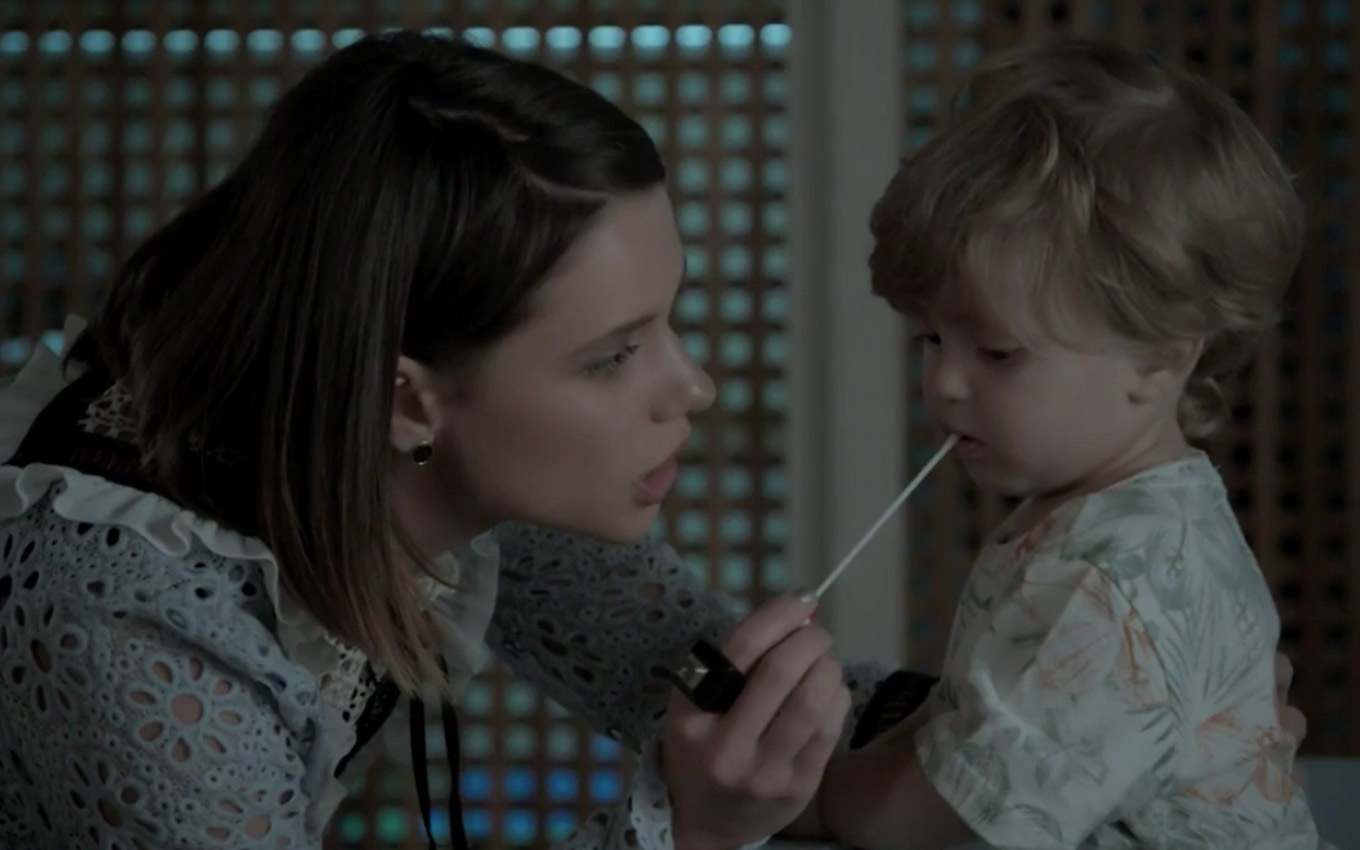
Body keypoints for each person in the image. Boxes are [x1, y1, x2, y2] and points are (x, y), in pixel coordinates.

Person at [0, 30, 1307, 850]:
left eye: (668, 321)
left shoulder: (421, 464)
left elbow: (680, 665)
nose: (698, 386)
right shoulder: (132, 628)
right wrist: (686, 828)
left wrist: (1104, 719)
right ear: (408, 399)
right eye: (614, 354)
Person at [811, 40, 1331, 850]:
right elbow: (967, 734)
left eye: (997, 353)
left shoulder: (1120, 579)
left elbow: (946, 815)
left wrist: (806, 797)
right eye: (931, 339)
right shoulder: (1098, 518)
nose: (945, 383)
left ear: (1161, 356)